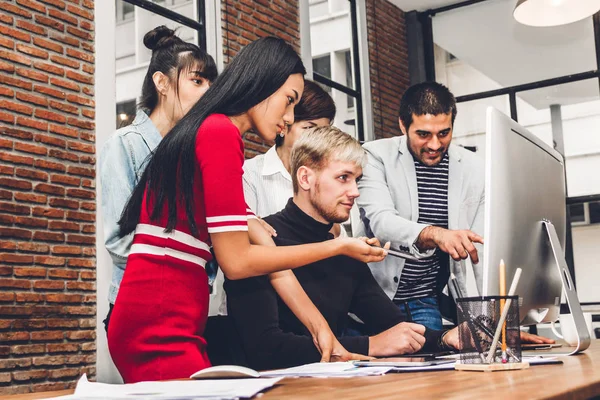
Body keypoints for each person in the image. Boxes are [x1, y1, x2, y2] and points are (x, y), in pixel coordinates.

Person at [107, 37, 387, 383]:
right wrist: (338, 246)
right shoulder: (220, 133)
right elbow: (238, 263)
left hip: (165, 316)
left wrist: (321, 331)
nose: (288, 118)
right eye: (288, 102)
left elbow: (270, 260)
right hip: (159, 322)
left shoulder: (209, 130)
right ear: (263, 82)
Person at [226, 126, 455, 370]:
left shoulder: (345, 252)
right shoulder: (260, 240)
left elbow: (394, 327)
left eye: (357, 179)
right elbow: (265, 349)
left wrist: (447, 338)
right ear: (305, 178)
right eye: (343, 178)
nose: (355, 192)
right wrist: (371, 345)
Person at [99, 25, 217, 332]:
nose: (208, 91)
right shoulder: (125, 145)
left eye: (211, 83)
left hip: (189, 309)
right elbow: (118, 240)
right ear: (162, 83)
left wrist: (201, 281)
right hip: (137, 308)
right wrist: (184, 273)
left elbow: (208, 241)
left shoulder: (198, 153)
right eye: (197, 80)